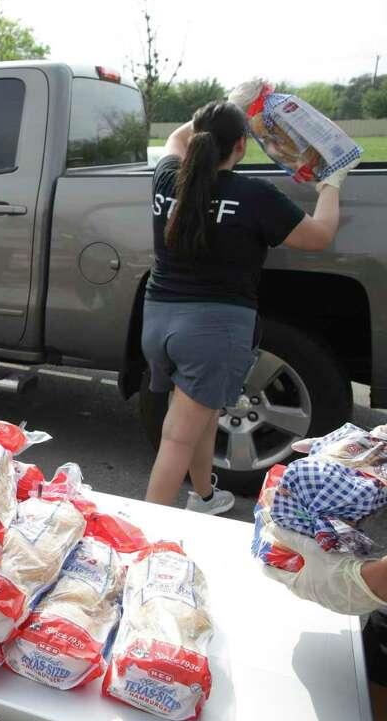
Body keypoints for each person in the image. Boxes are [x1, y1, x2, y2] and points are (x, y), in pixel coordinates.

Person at [142, 100, 355, 513]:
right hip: (213, 331)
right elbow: (319, 235)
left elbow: (175, 138)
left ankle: (204, 497)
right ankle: (145, 535)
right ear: (241, 146)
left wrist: (235, 102)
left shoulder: (167, 178)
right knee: (178, 437)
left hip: (159, 321)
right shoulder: (254, 196)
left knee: (200, 412)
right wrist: (332, 183)